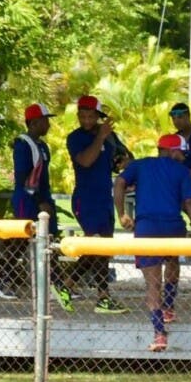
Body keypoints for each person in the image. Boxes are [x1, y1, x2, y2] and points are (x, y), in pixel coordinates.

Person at [114, 133, 191, 351]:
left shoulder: (140, 165)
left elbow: (119, 182)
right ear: (172, 151)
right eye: (182, 153)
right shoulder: (182, 171)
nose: (184, 158)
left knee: (152, 284)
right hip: (173, 226)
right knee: (173, 263)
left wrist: (122, 214)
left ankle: (159, 334)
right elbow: (190, 202)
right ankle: (169, 306)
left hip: (146, 229)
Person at [1, 103, 71, 310]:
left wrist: (46, 199)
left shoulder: (43, 146)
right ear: (34, 122)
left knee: (50, 238)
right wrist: (39, 200)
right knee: (22, 239)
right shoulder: (23, 144)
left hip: (43, 196)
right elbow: (25, 177)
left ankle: (56, 284)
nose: (48, 124)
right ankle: (4, 281)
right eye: (45, 120)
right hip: (27, 198)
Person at [66, 95, 130, 314]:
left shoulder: (110, 137)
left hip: (104, 197)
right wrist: (100, 138)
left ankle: (69, 285)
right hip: (86, 198)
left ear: (99, 116)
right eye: (82, 116)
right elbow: (85, 160)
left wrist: (123, 162)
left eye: (91, 116)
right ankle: (101, 295)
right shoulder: (75, 138)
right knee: (96, 244)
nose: (86, 120)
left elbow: (124, 160)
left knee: (104, 248)